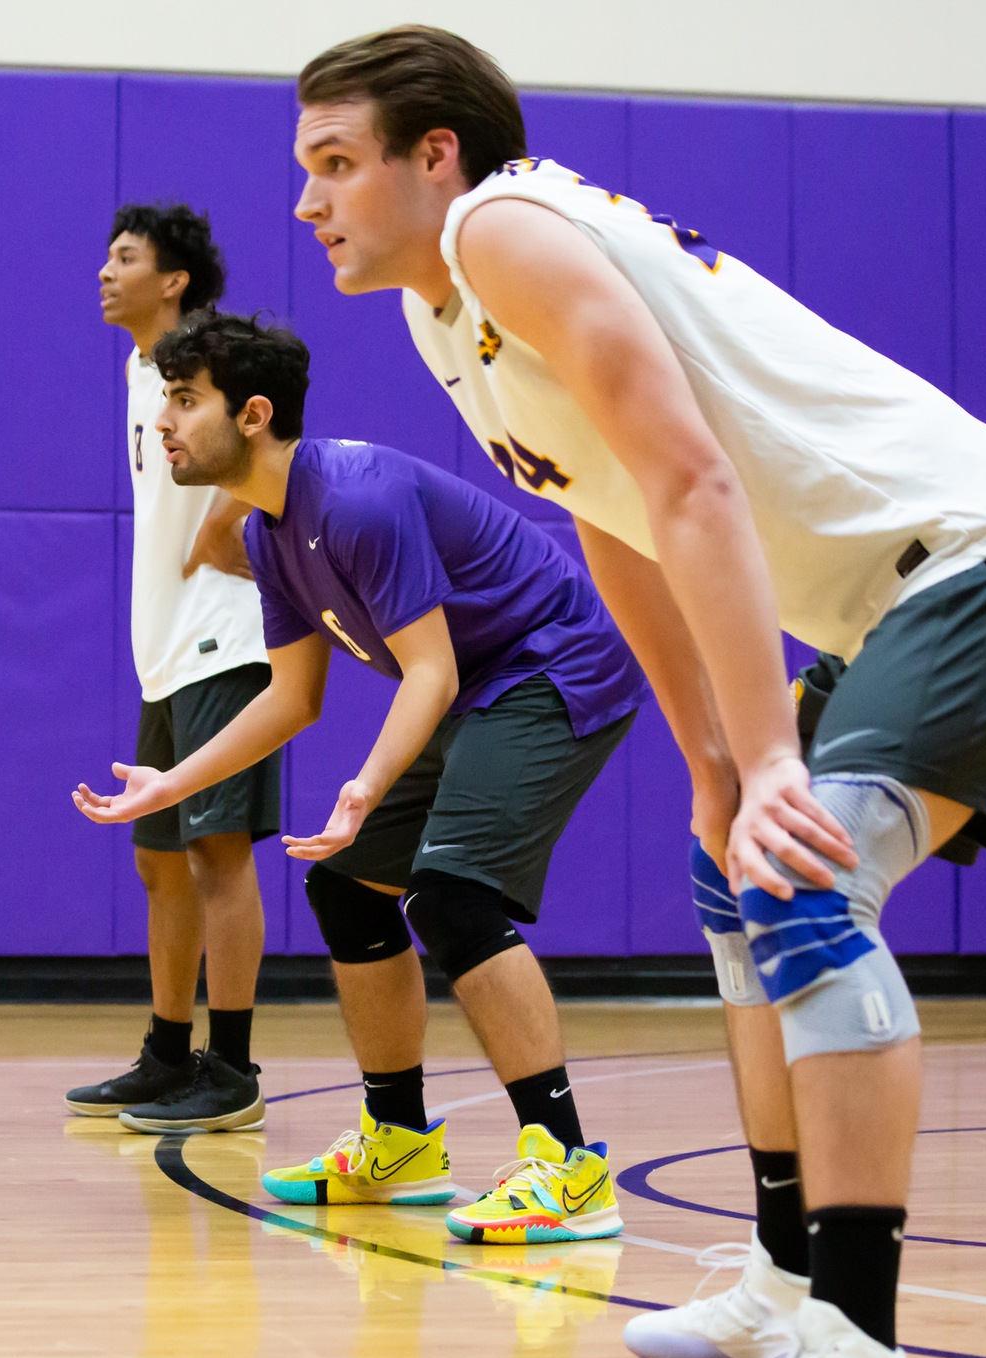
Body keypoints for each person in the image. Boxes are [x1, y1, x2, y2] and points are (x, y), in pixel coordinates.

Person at [289, 26, 986, 1358]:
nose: (309, 199)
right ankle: (784, 1279)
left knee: (803, 881)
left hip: (982, 559)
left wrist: (774, 749)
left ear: (434, 156)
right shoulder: (442, 312)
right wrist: (713, 756)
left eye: (334, 162)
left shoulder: (501, 229)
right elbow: (614, 518)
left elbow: (693, 478)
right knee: (725, 862)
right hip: (875, 596)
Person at [72, 312, 650, 1245]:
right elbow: (292, 700)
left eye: (185, 401)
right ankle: (400, 1140)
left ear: (253, 414)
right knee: (345, 890)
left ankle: (569, 1166)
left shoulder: (355, 499)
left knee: (452, 897)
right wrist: (167, 785)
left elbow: (433, 672)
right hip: (478, 684)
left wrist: (366, 786)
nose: (164, 422)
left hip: (554, 664)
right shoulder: (266, 535)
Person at [64, 203, 282, 1135]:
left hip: (222, 641)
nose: (104, 272)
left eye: (124, 258)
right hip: (163, 650)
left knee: (215, 854)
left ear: (174, 279)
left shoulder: (215, 363)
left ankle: (230, 1067)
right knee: (160, 861)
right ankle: (166, 1051)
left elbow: (281, 446)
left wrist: (228, 521)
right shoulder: (137, 369)